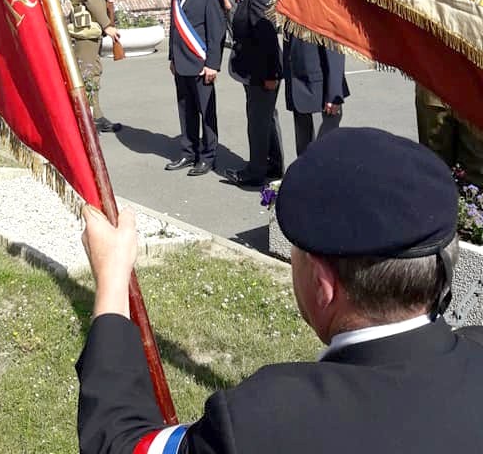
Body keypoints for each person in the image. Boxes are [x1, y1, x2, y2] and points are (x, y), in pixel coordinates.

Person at [77, 126, 483, 454]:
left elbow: (118, 443)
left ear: (323, 286)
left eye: (297, 253)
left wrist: (112, 279)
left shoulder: (259, 423)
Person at [415, 0, 483, 187]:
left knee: (476, 169)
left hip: (474, 85)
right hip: (435, 84)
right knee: (434, 165)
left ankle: (472, 213)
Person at [165, 0, 225, 176]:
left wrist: (213, 64)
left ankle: (208, 156)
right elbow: (174, 28)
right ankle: (188, 152)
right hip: (181, 63)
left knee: (206, 112)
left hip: (201, 65)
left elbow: (216, 31)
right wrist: (171, 57)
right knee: (186, 110)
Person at [225, 0, 283, 187]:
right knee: (265, 120)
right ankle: (272, 165)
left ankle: (255, 172)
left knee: (259, 122)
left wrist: (270, 76)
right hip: (255, 73)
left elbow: (268, 39)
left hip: (261, 75)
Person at [66, 0, 122, 134]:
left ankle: (95, 116)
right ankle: (87, 120)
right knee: (87, 74)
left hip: (91, 28)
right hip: (85, 30)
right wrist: (107, 25)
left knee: (93, 72)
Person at [283, 31, 349, 155]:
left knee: (323, 153)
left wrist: (334, 95)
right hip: (299, 89)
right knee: (304, 153)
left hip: (320, 94)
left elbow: (334, 46)